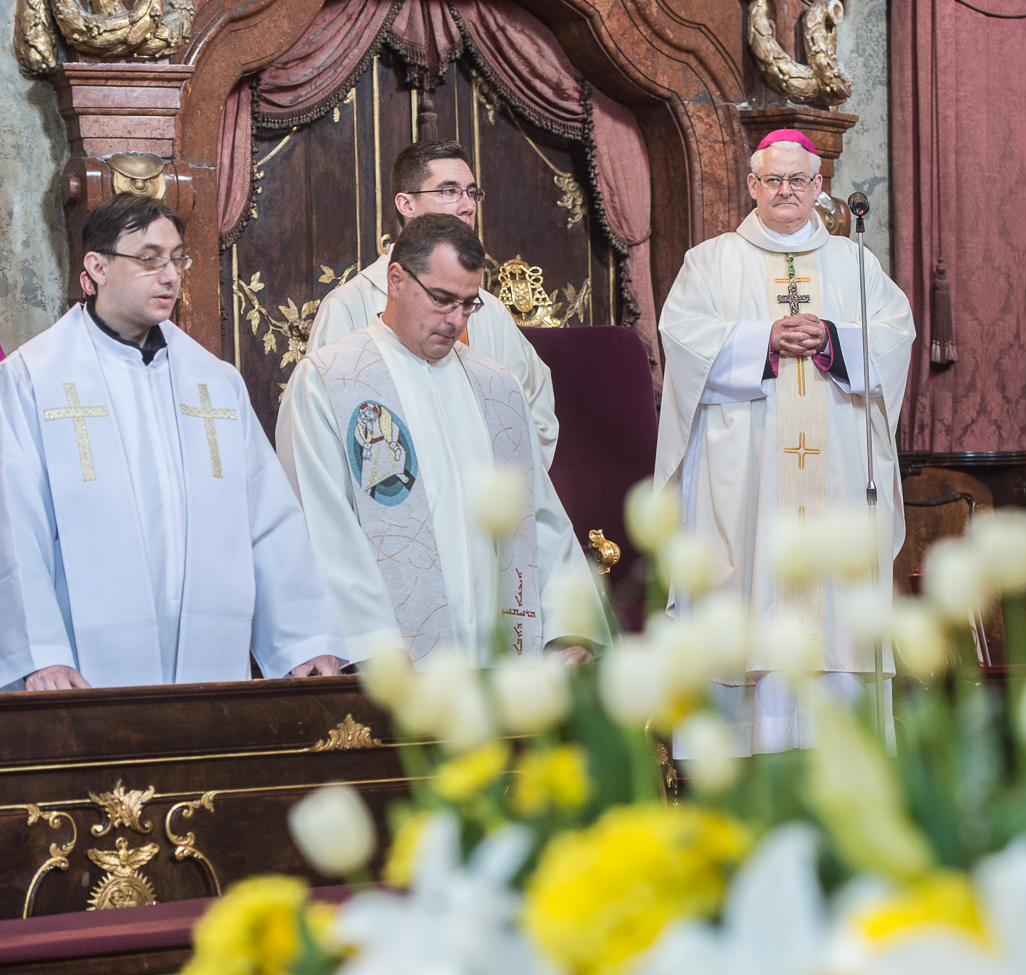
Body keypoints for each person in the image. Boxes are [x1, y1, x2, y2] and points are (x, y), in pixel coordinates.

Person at [0, 193, 346, 691]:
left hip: (206, 669)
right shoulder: (33, 379)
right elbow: (14, 530)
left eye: (176, 258)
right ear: (96, 266)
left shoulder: (215, 382)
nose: (169, 275)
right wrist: (42, 655)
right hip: (77, 671)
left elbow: (268, 521)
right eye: (148, 259)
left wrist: (302, 638)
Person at [655, 129, 915, 753]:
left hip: (839, 480)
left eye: (798, 180)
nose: (785, 191)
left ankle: (844, 748)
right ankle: (742, 751)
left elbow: (895, 338)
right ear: (752, 185)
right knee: (751, 594)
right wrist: (761, 341)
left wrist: (831, 337)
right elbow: (683, 340)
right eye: (772, 180)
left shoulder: (855, 264)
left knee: (836, 606)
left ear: (819, 187)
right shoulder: (711, 260)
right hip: (747, 475)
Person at [278, 214, 604, 668]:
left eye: (469, 304)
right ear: (396, 279)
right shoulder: (330, 380)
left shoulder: (497, 387)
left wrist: (569, 630)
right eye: (442, 299)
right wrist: (374, 648)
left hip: (503, 669)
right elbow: (321, 527)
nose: (456, 320)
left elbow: (537, 518)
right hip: (390, 669)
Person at [305, 140, 558, 468]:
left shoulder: (491, 312)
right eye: (449, 191)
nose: (467, 206)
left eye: (472, 192)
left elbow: (536, 411)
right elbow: (327, 434)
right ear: (406, 204)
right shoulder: (348, 308)